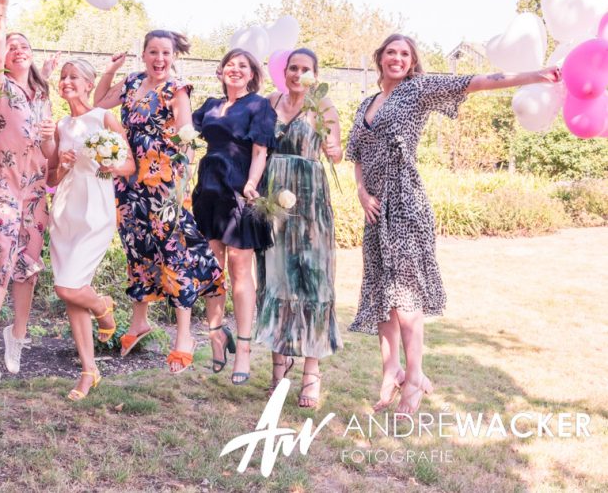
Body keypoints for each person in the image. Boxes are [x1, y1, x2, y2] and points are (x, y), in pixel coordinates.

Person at [345, 33, 561, 414]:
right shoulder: (367, 103)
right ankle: (390, 371)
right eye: (391, 52)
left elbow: (476, 82)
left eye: (405, 54)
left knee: (406, 296)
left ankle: (413, 379)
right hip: (375, 209)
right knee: (382, 294)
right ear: (380, 58)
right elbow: (357, 155)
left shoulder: (419, 90)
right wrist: (361, 193)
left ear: (412, 63)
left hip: (406, 204)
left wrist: (536, 76)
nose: (397, 58)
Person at [94, 30, 224, 374]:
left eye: (165, 53)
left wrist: (179, 181)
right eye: (153, 52)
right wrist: (110, 70)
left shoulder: (176, 89)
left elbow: (186, 137)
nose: (159, 59)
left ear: (173, 55)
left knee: (172, 252)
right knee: (137, 247)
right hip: (128, 179)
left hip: (162, 183)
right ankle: (139, 323)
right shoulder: (133, 81)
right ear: (144, 54)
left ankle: (184, 337)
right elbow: (99, 102)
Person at [0, 0, 56, 383]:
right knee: (1, 264)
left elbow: (48, 152)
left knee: (29, 267)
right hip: (0, 184)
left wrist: (50, 136)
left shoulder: (41, 93)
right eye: (12, 44)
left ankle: (17, 335)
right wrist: (2, 10)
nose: (18, 48)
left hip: (35, 188)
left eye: (25, 45)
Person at [256, 48, 343, 406]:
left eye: (305, 69)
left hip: (309, 203)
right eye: (293, 68)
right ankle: (279, 363)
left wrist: (332, 144)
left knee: (312, 279)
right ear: (285, 71)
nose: (298, 74)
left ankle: (311, 372)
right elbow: (257, 148)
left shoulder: (324, 108)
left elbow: (335, 154)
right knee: (274, 275)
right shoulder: (269, 102)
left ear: (314, 75)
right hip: (273, 198)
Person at [47, 57, 135, 400]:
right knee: (72, 289)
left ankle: (102, 306)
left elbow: (130, 166)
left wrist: (110, 163)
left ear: (88, 83)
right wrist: (63, 166)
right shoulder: (60, 126)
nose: (67, 81)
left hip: (96, 211)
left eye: (75, 77)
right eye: (64, 77)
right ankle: (89, 371)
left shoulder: (104, 118)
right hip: (65, 212)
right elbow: (51, 180)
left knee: (66, 288)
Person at [191, 49, 276, 385]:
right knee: (212, 270)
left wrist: (252, 184)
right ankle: (215, 336)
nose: (235, 69)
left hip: (240, 190)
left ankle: (242, 348)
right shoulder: (210, 105)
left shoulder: (258, 105)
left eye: (243, 66)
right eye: (230, 65)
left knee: (240, 271)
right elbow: (184, 130)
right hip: (208, 191)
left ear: (253, 73)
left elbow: (260, 151)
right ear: (221, 70)